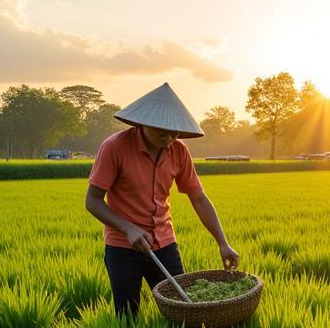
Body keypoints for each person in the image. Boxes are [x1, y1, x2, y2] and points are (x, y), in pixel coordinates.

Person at [84, 82, 239, 315]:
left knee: (182, 310)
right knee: (127, 315)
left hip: (165, 244)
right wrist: (129, 229)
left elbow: (199, 198)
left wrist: (223, 243)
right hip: (123, 247)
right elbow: (93, 200)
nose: (169, 138)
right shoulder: (114, 147)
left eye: (174, 132)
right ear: (143, 123)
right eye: (162, 131)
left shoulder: (179, 151)